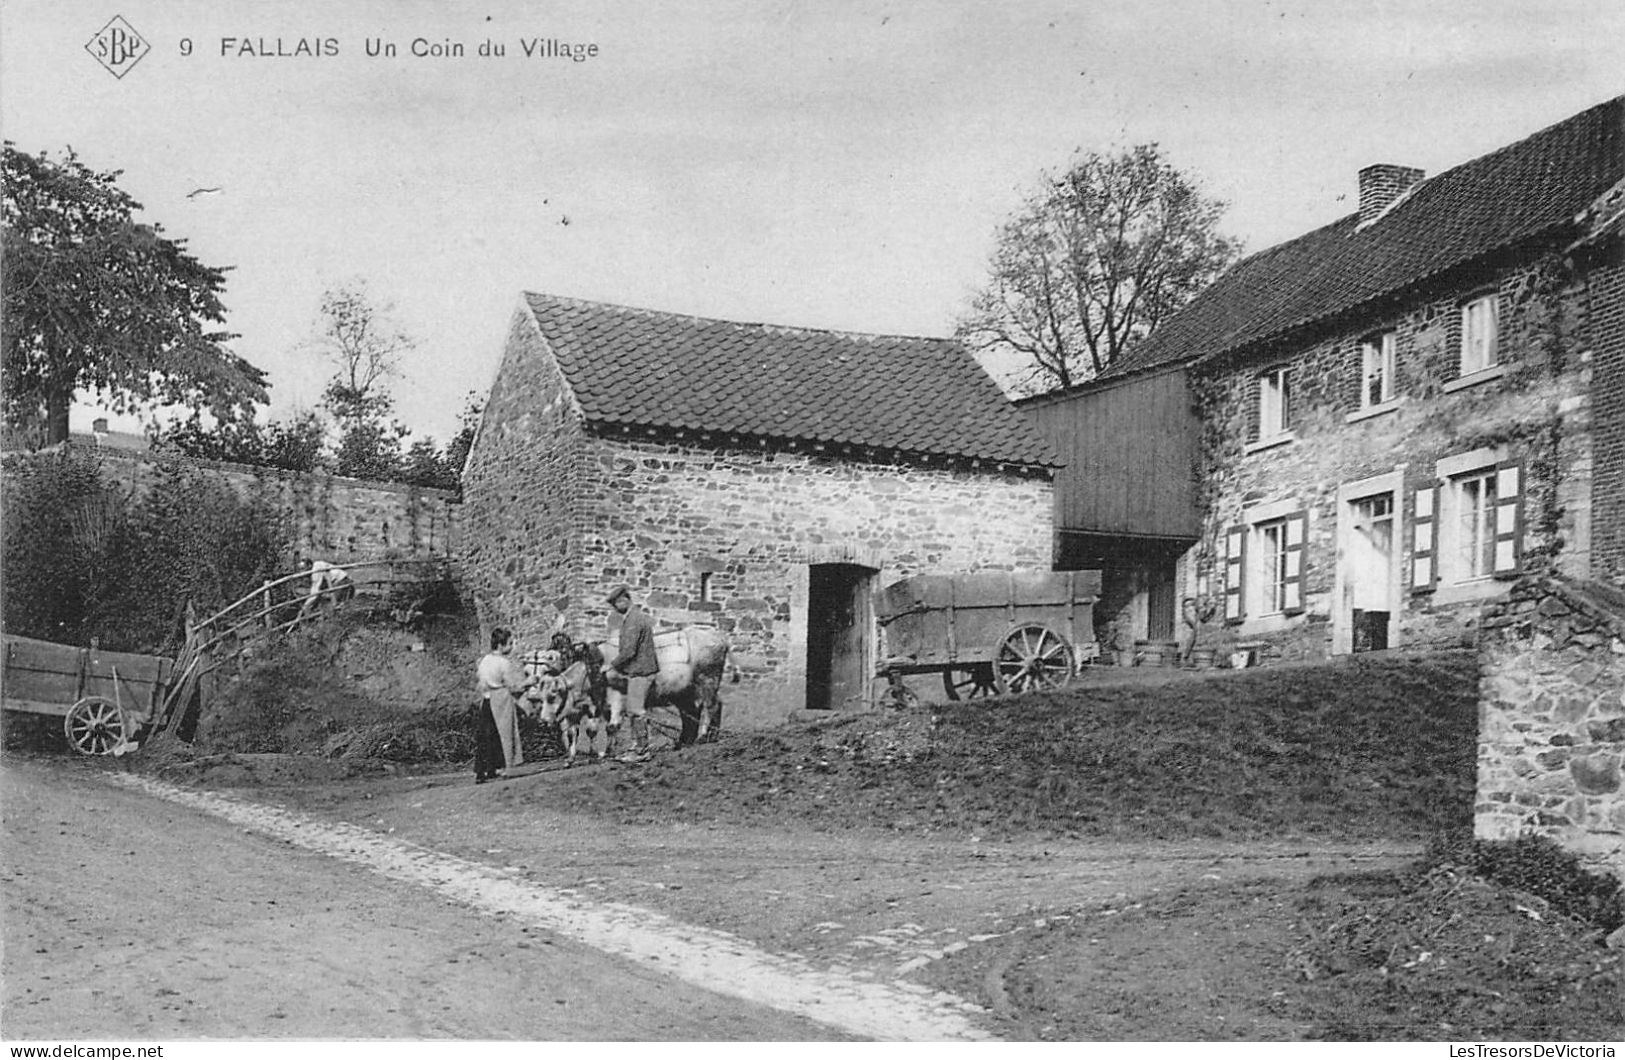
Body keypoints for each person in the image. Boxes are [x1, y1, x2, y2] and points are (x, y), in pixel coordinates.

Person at [604, 585, 657, 762]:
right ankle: (636, 746)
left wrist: (610, 665)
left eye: (618, 603)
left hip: (640, 670)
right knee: (632, 710)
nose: (616, 608)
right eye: (614, 604)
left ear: (625, 600)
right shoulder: (633, 618)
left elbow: (629, 651)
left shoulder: (634, 620)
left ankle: (642, 751)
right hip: (638, 670)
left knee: (636, 710)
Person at [475, 626, 535, 783]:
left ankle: (484, 771)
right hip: (500, 698)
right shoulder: (503, 663)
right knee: (503, 733)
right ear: (501, 646)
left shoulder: (484, 661)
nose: (511, 647)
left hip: (487, 699)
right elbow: (514, 687)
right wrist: (529, 682)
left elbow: (481, 683)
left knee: (487, 735)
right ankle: (503, 766)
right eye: (509, 643)